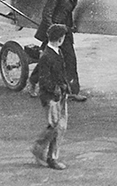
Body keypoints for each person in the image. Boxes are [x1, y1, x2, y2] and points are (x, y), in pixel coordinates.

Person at [29, 0, 87, 102]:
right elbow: (47, 13)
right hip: (54, 32)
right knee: (48, 60)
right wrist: (52, 32)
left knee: (69, 59)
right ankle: (32, 82)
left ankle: (73, 91)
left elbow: (68, 11)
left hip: (64, 31)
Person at [31, 23, 70, 170]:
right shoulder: (48, 56)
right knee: (55, 126)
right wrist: (56, 90)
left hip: (59, 94)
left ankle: (41, 150)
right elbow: (45, 79)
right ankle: (47, 154)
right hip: (52, 96)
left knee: (59, 126)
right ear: (60, 39)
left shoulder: (55, 52)